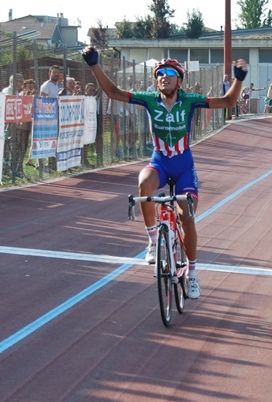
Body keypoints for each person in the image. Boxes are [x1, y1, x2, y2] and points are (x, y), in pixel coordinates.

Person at [81, 46, 247, 299]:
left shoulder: (190, 100)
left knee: (186, 218)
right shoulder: (148, 99)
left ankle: (192, 273)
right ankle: (151, 239)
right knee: (143, 183)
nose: (163, 76)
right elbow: (113, 92)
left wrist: (238, 79)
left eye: (169, 72)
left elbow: (228, 101)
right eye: (159, 73)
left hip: (183, 168)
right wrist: (94, 65)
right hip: (159, 162)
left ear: (179, 80)